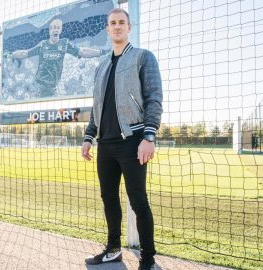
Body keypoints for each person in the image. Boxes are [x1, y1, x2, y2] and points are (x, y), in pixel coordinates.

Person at [81, 8, 163, 270]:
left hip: (133, 140)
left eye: (121, 23)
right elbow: (97, 107)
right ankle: (113, 249)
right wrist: (88, 137)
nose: (117, 27)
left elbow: (154, 98)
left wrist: (149, 135)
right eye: (112, 23)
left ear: (129, 27)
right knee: (108, 197)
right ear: (107, 29)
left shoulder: (142, 57)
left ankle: (147, 258)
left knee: (138, 199)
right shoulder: (101, 66)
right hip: (106, 144)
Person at [11, 18, 107, 98]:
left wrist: (101, 52)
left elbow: (82, 51)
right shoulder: (43, 45)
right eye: (53, 28)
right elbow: (25, 53)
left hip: (53, 85)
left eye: (58, 28)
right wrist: (12, 54)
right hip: (39, 84)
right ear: (49, 31)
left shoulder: (64, 44)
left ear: (60, 30)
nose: (55, 30)